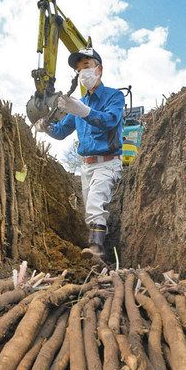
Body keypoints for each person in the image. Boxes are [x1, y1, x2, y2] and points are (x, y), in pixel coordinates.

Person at [35, 48, 124, 258]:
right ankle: (99, 253)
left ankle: (97, 249)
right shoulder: (79, 104)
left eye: (86, 66)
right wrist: (45, 126)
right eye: (79, 69)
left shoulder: (114, 96)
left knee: (95, 201)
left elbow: (110, 120)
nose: (82, 72)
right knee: (90, 211)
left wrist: (82, 111)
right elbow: (62, 132)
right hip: (86, 165)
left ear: (99, 69)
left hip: (108, 162)